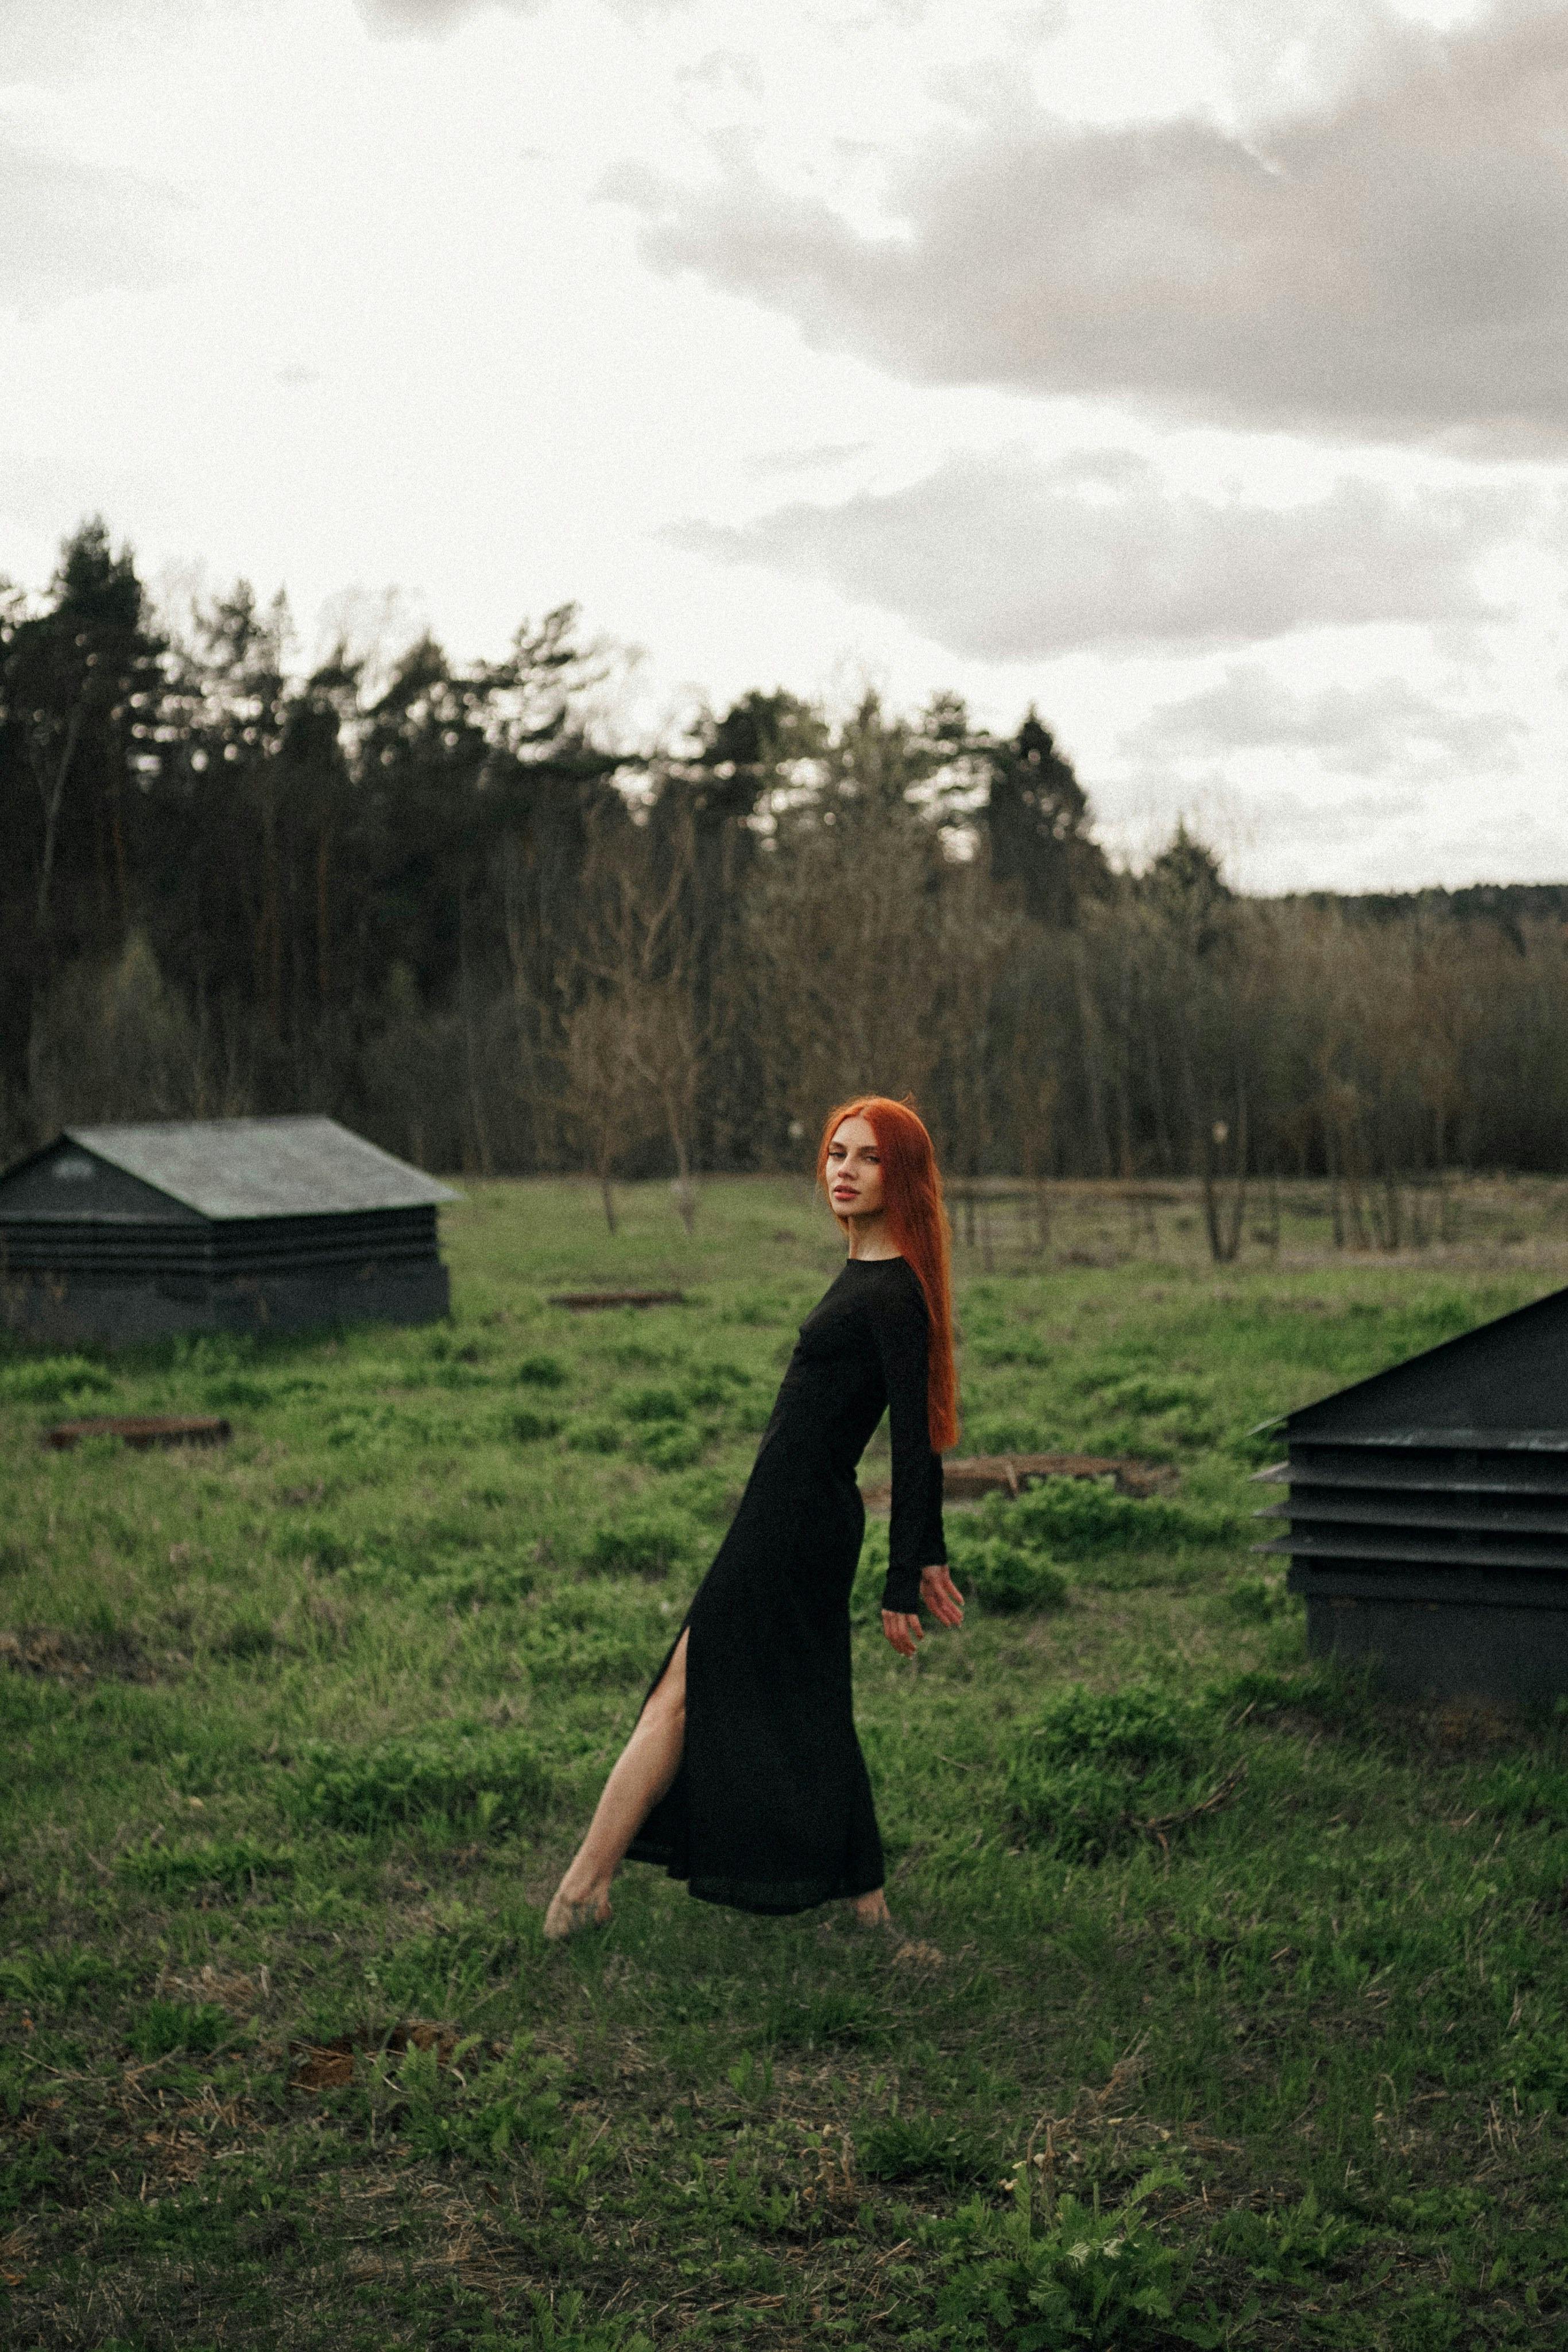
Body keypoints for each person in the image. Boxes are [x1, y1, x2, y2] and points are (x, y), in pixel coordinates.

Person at [543, 1094, 965, 1939]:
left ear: (904, 1175)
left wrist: (904, 1569)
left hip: (795, 1523)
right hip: (785, 1514)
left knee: (681, 1693)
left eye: (868, 1158)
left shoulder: (894, 1295)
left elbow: (917, 1440)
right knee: (801, 1697)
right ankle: (867, 1903)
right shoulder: (871, 1274)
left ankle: (580, 1890)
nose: (842, 1172)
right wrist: (920, 1553)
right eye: (837, 1155)